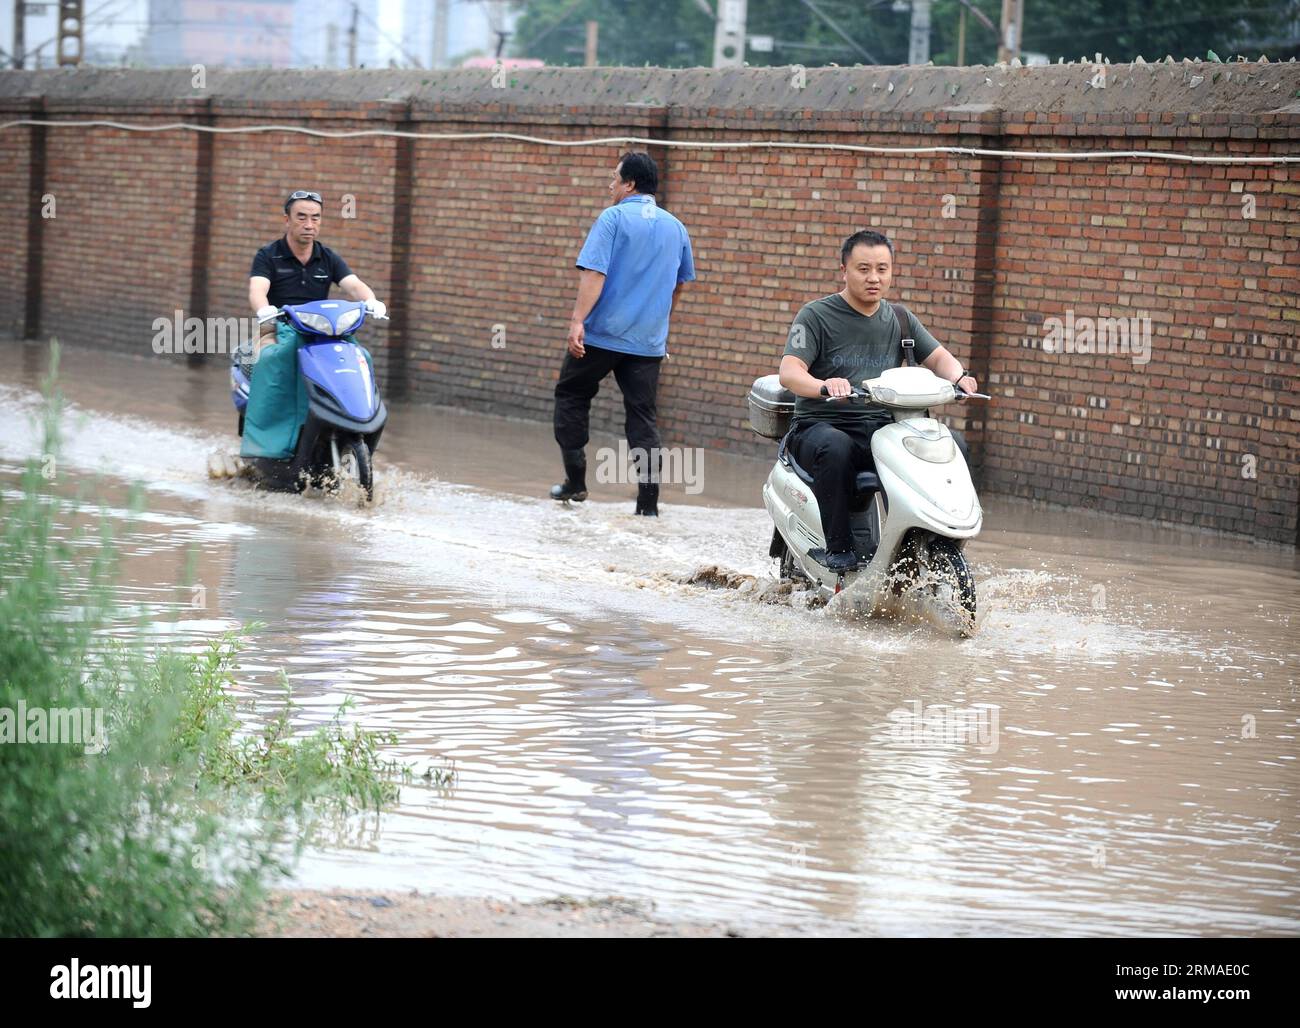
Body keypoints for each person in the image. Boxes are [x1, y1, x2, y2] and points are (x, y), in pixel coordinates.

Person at [779, 229, 978, 573]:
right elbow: (789, 372)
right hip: (821, 426)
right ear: (844, 269)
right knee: (836, 448)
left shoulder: (899, 318)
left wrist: (959, 377)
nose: (874, 278)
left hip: (881, 429)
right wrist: (824, 385)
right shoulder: (815, 316)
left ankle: (931, 540)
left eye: (882, 269)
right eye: (864, 269)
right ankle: (839, 549)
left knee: (952, 443)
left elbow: (940, 358)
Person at [550, 152, 695, 516]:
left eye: (614, 178)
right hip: (646, 343)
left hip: (601, 335)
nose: (609, 184)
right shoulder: (676, 228)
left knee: (571, 394)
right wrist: (659, 329)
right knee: (642, 416)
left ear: (630, 184)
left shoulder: (612, 218)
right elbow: (679, 285)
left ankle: (576, 482)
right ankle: (648, 505)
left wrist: (577, 320)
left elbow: (594, 274)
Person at [241, 189, 385, 459]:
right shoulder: (268, 255)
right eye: (302, 217)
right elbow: (257, 290)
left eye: (315, 218)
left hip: (323, 331)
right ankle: (266, 445)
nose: (309, 225)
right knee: (272, 359)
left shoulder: (328, 257)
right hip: (277, 327)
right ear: (287, 220)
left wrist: (372, 300)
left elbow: (353, 285)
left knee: (361, 356)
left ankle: (358, 424)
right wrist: (264, 310)